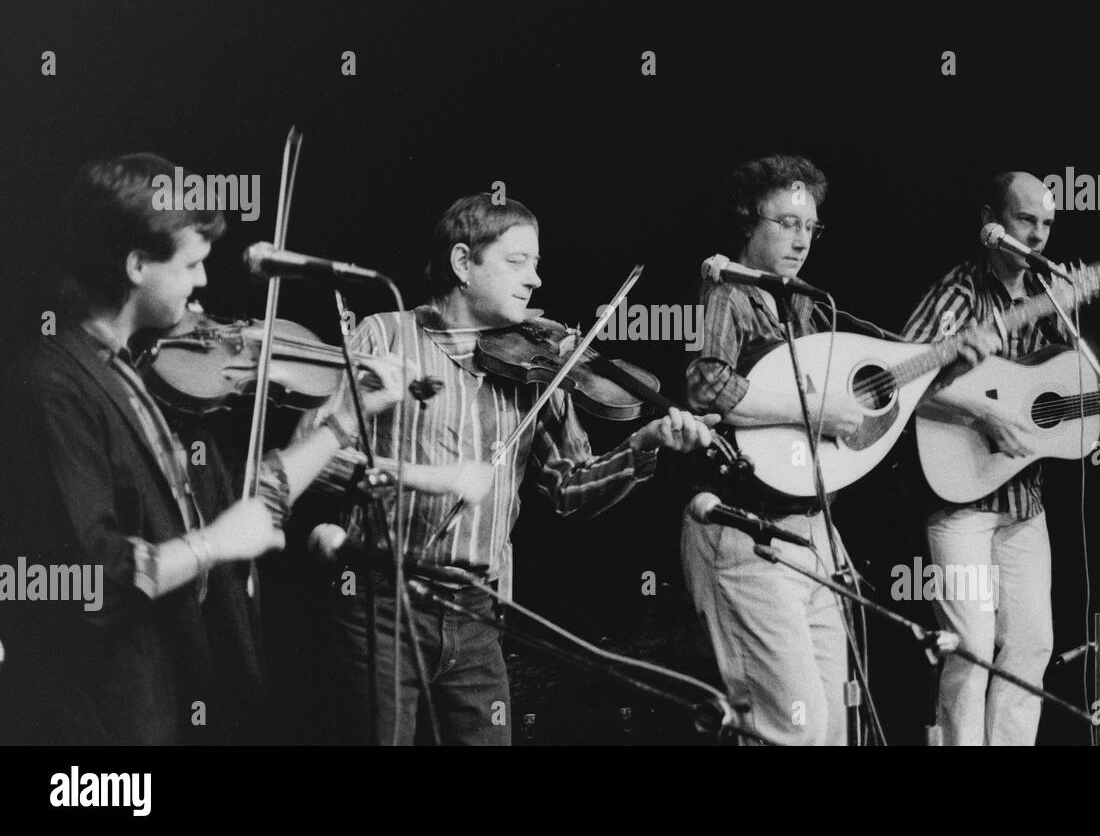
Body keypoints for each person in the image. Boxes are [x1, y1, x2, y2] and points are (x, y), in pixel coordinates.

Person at [0, 153, 406, 744]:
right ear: (138, 264)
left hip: (185, 699)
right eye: (192, 264)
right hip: (105, 730)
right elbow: (83, 576)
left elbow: (245, 504)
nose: (204, 283)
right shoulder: (50, 387)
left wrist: (345, 420)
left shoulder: (136, 376)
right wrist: (214, 543)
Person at [299, 191, 717, 745]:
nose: (536, 281)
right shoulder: (384, 336)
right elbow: (317, 455)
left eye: (537, 265)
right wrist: (426, 477)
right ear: (462, 263)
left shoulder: (538, 368)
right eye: (517, 262)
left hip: (475, 610)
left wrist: (644, 442)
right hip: (380, 600)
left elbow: (572, 489)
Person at [902, 171, 1100, 745]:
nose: (1037, 236)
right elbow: (900, 374)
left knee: (1033, 644)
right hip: (960, 499)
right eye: (1025, 220)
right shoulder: (961, 292)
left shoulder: (1052, 306)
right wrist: (987, 414)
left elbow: (1064, 405)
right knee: (970, 646)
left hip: (1023, 503)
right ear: (993, 220)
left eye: (1047, 225)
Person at [682, 154, 869, 745]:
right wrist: (815, 413)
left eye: (810, 226)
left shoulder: (805, 306)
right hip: (745, 531)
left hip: (812, 531)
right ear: (748, 222)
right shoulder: (726, 292)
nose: (801, 238)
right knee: (792, 728)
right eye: (786, 222)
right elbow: (707, 385)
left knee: (834, 728)